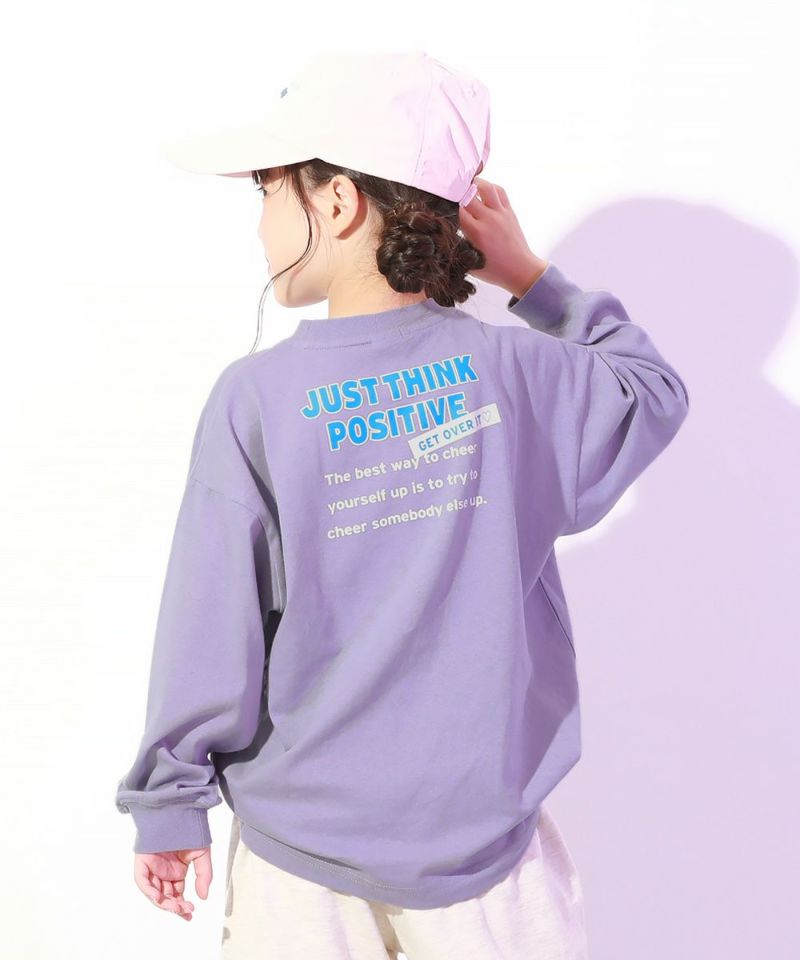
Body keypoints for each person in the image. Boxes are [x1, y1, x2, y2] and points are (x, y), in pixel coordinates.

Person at [114, 52, 689, 958]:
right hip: (488, 854)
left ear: (338, 201)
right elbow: (651, 391)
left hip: (302, 856)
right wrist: (530, 277)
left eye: (267, 189)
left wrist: (169, 801)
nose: (261, 220)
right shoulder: (516, 373)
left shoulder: (257, 399)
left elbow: (212, 612)